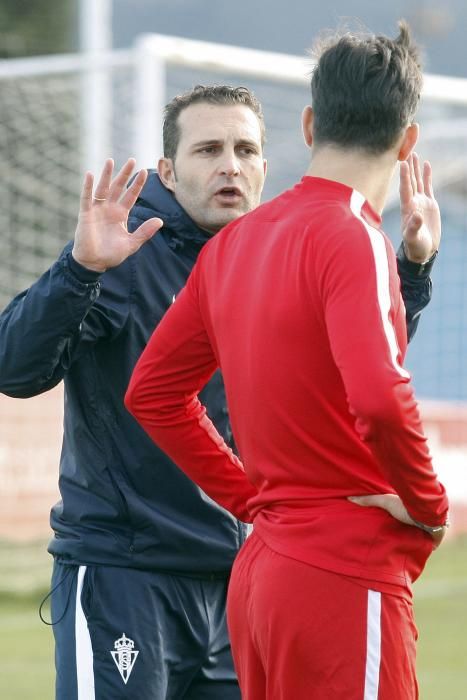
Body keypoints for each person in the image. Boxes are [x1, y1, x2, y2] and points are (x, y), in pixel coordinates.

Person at [0, 82, 439, 699]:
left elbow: (357, 368)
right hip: (129, 575)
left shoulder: (272, 250)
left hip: (243, 580)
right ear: (169, 172)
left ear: (265, 165)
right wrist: (80, 270)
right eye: (207, 150)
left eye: (244, 149)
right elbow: (13, 369)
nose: (229, 165)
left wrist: (412, 273)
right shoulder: (122, 255)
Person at [125, 25, 450, 700]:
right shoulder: (353, 236)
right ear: (407, 139)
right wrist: (429, 505)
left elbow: (152, 393)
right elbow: (379, 398)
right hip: (342, 573)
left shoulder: (235, 243)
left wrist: (255, 500)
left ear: (307, 125)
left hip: (262, 573)